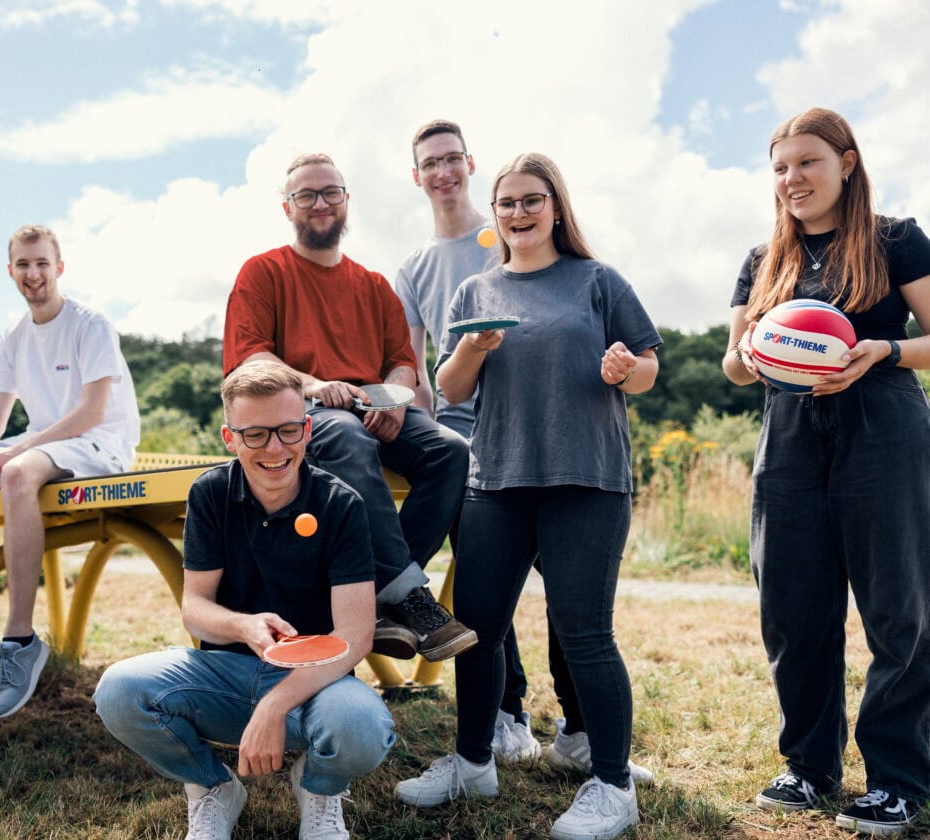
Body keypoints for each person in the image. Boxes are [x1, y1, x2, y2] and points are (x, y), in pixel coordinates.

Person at [396, 153, 660, 840]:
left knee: (585, 635)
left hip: (587, 481)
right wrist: (475, 348)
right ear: (496, 213)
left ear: (556, 206)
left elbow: (649, 370)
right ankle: (473, 761)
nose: (518, 212)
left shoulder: (597, 281)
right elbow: (449, 389)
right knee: (476, 633)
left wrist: (627, 369)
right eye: (507, 202)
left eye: (532, 200)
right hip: (498, 483)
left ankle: (613, 784)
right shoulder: (475, 293)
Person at [725, 107, 930, 837]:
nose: (792, 179)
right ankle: (809, 766)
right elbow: (734, 361)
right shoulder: (762, 259)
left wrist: (882, 350)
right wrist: (748, 357)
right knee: (791, 603)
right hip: (787, 434)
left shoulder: (895, 239)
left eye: (807, 162)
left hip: (883, 421)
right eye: (780, 166)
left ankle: (899, 779)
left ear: (847, 161)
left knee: (895, 606)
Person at [94, 359, 396, 840]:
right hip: (225, 673)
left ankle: (319, 789)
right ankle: (212, 786)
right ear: (229, 437)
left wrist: (274, 707)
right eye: (255, 435)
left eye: (287, 431)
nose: (275, 449)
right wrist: (243, 626)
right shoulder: (211, 493)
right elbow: (195, 608)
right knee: (118, 691)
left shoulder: (341, 503)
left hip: (315, 682)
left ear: (307, 429)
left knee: (361, 729)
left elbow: (355, 636)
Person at [223, 152, 475, 663]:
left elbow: (403, 364)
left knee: (451, 451)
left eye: (330, 193)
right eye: (306, 195)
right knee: (345, 433)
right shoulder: (263, 272)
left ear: (345, 200)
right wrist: (314, 386)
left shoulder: (374, 285)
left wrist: (394, 399)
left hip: (371, 407)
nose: (320, 203)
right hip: (298, 412)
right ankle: (408, 597)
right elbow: (249, 356)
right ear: (287, 206)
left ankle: (380, 593)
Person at [0, 224, 140, 720]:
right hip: (40, 441)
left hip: (97, 444)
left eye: (42, 263)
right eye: (23, 264)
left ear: (58, 268)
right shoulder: (14, 335)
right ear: (11, 271)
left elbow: (90, 412)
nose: (33, 273)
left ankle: (20, 639)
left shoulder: (91, 323)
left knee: (17, 474)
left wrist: (13, 454)